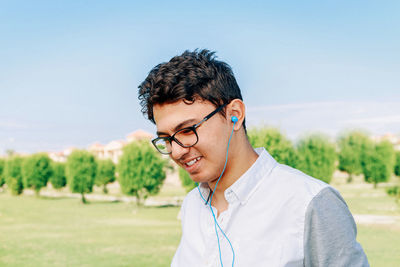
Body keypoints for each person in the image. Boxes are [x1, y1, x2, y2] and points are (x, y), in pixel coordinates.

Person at [138, 49, 369, 267]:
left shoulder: (310, 203)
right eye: (167, 139)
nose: (177, 152)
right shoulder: (191, 206)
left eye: (188, 130)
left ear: (234, 115)